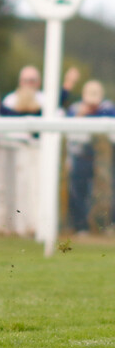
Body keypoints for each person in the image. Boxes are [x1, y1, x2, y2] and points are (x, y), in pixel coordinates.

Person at [66, 80, 115, 234]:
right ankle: (81, 226)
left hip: (104, 158)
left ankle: (106, 224)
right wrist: (81, 115)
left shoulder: (108, 109)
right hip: (81, 155)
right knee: (79, 190)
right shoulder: (75, 109)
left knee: (106, 191)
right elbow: (71, 135)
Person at [0, 65, 79, 116]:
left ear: (38, 82)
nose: (28, 85)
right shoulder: (10, 100)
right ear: (20, 82)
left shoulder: (45, 99)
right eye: (25, 81)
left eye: (32, 81)